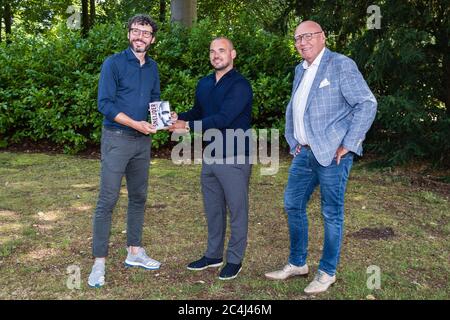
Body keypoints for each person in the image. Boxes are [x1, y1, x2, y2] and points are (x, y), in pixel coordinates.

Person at [265, 20, 377, 294]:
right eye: (297, 39)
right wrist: (294, 140)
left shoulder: (340, 64)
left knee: (331, 214)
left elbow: (366, 103)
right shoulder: (299, 70)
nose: (302, 42)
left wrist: (349, 144)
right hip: (304, 153)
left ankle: (327, 272)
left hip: (333, 155)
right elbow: (297, 107)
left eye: (307, 36)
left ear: (322, 37)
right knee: (292, 204)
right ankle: (297, 263)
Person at [169, 37, 253, 280]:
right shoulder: (204, 83)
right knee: (213, 209)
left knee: (237, 211)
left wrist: (187, 125)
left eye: (222, 50)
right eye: (212, 51)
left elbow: (224, 119)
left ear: (233, 54)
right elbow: (198, 112)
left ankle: (234, 259)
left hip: (235, 156)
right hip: (210, 155)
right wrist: (177, 118)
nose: (216, 55)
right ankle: (213, 255)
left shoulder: (240, 86)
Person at [88, 14, 161, 288]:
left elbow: (154, 101)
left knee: (139, 197)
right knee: (107, 200)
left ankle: (134, 252)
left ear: (152, 39)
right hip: (117, 138)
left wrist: (162, 119)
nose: (140, 36)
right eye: (135, 31)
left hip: (142, 142)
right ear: (129, 34)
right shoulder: (113, 63)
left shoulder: (153, 67)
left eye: (145, 32)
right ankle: (99, 263)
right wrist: (135, 124)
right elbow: (104, 104)